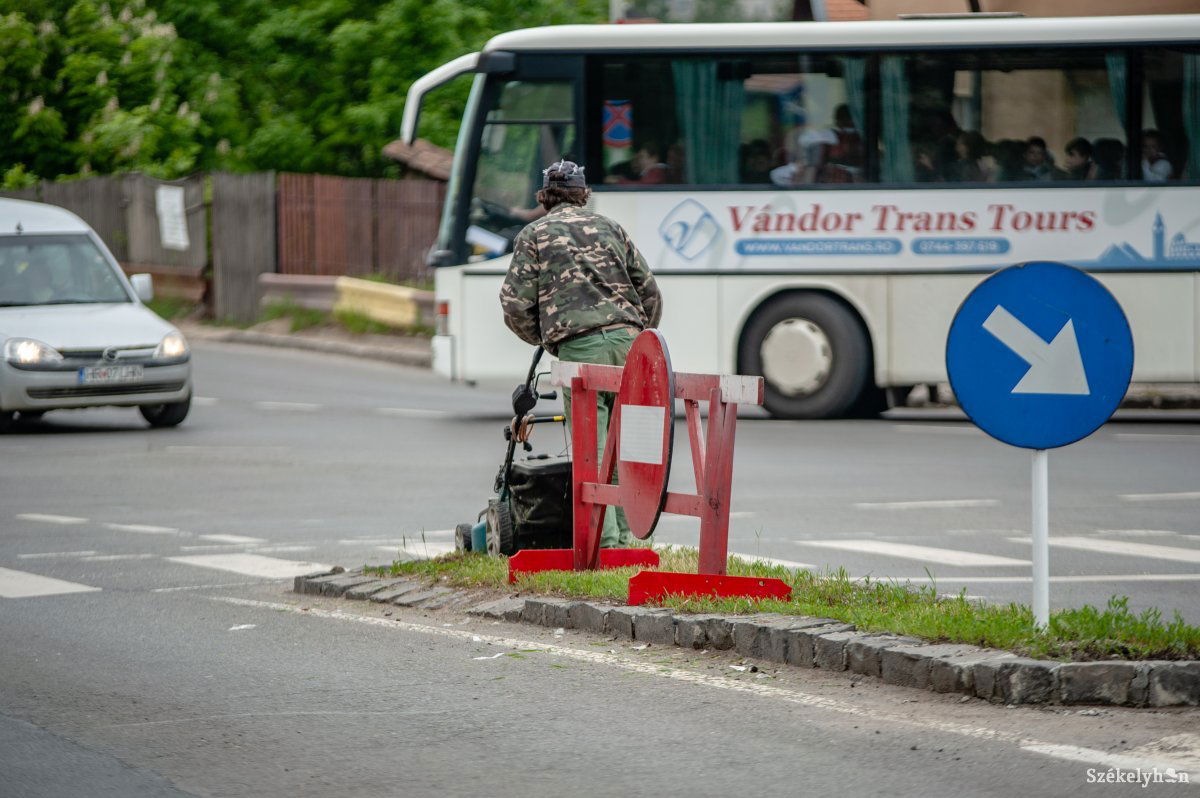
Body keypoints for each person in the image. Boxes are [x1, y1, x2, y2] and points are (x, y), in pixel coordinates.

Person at [500, 159, 663, 548]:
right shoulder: (610, 227)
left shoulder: (534, 234)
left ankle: (605, 544)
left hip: (579, 347)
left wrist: (545, 337)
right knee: (627, 445)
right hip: (629, 345)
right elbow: (649, 290)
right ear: (582, 193)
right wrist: (639, 334)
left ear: (544, 197)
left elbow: (514, 304)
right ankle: (633, 542)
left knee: (593, 447)